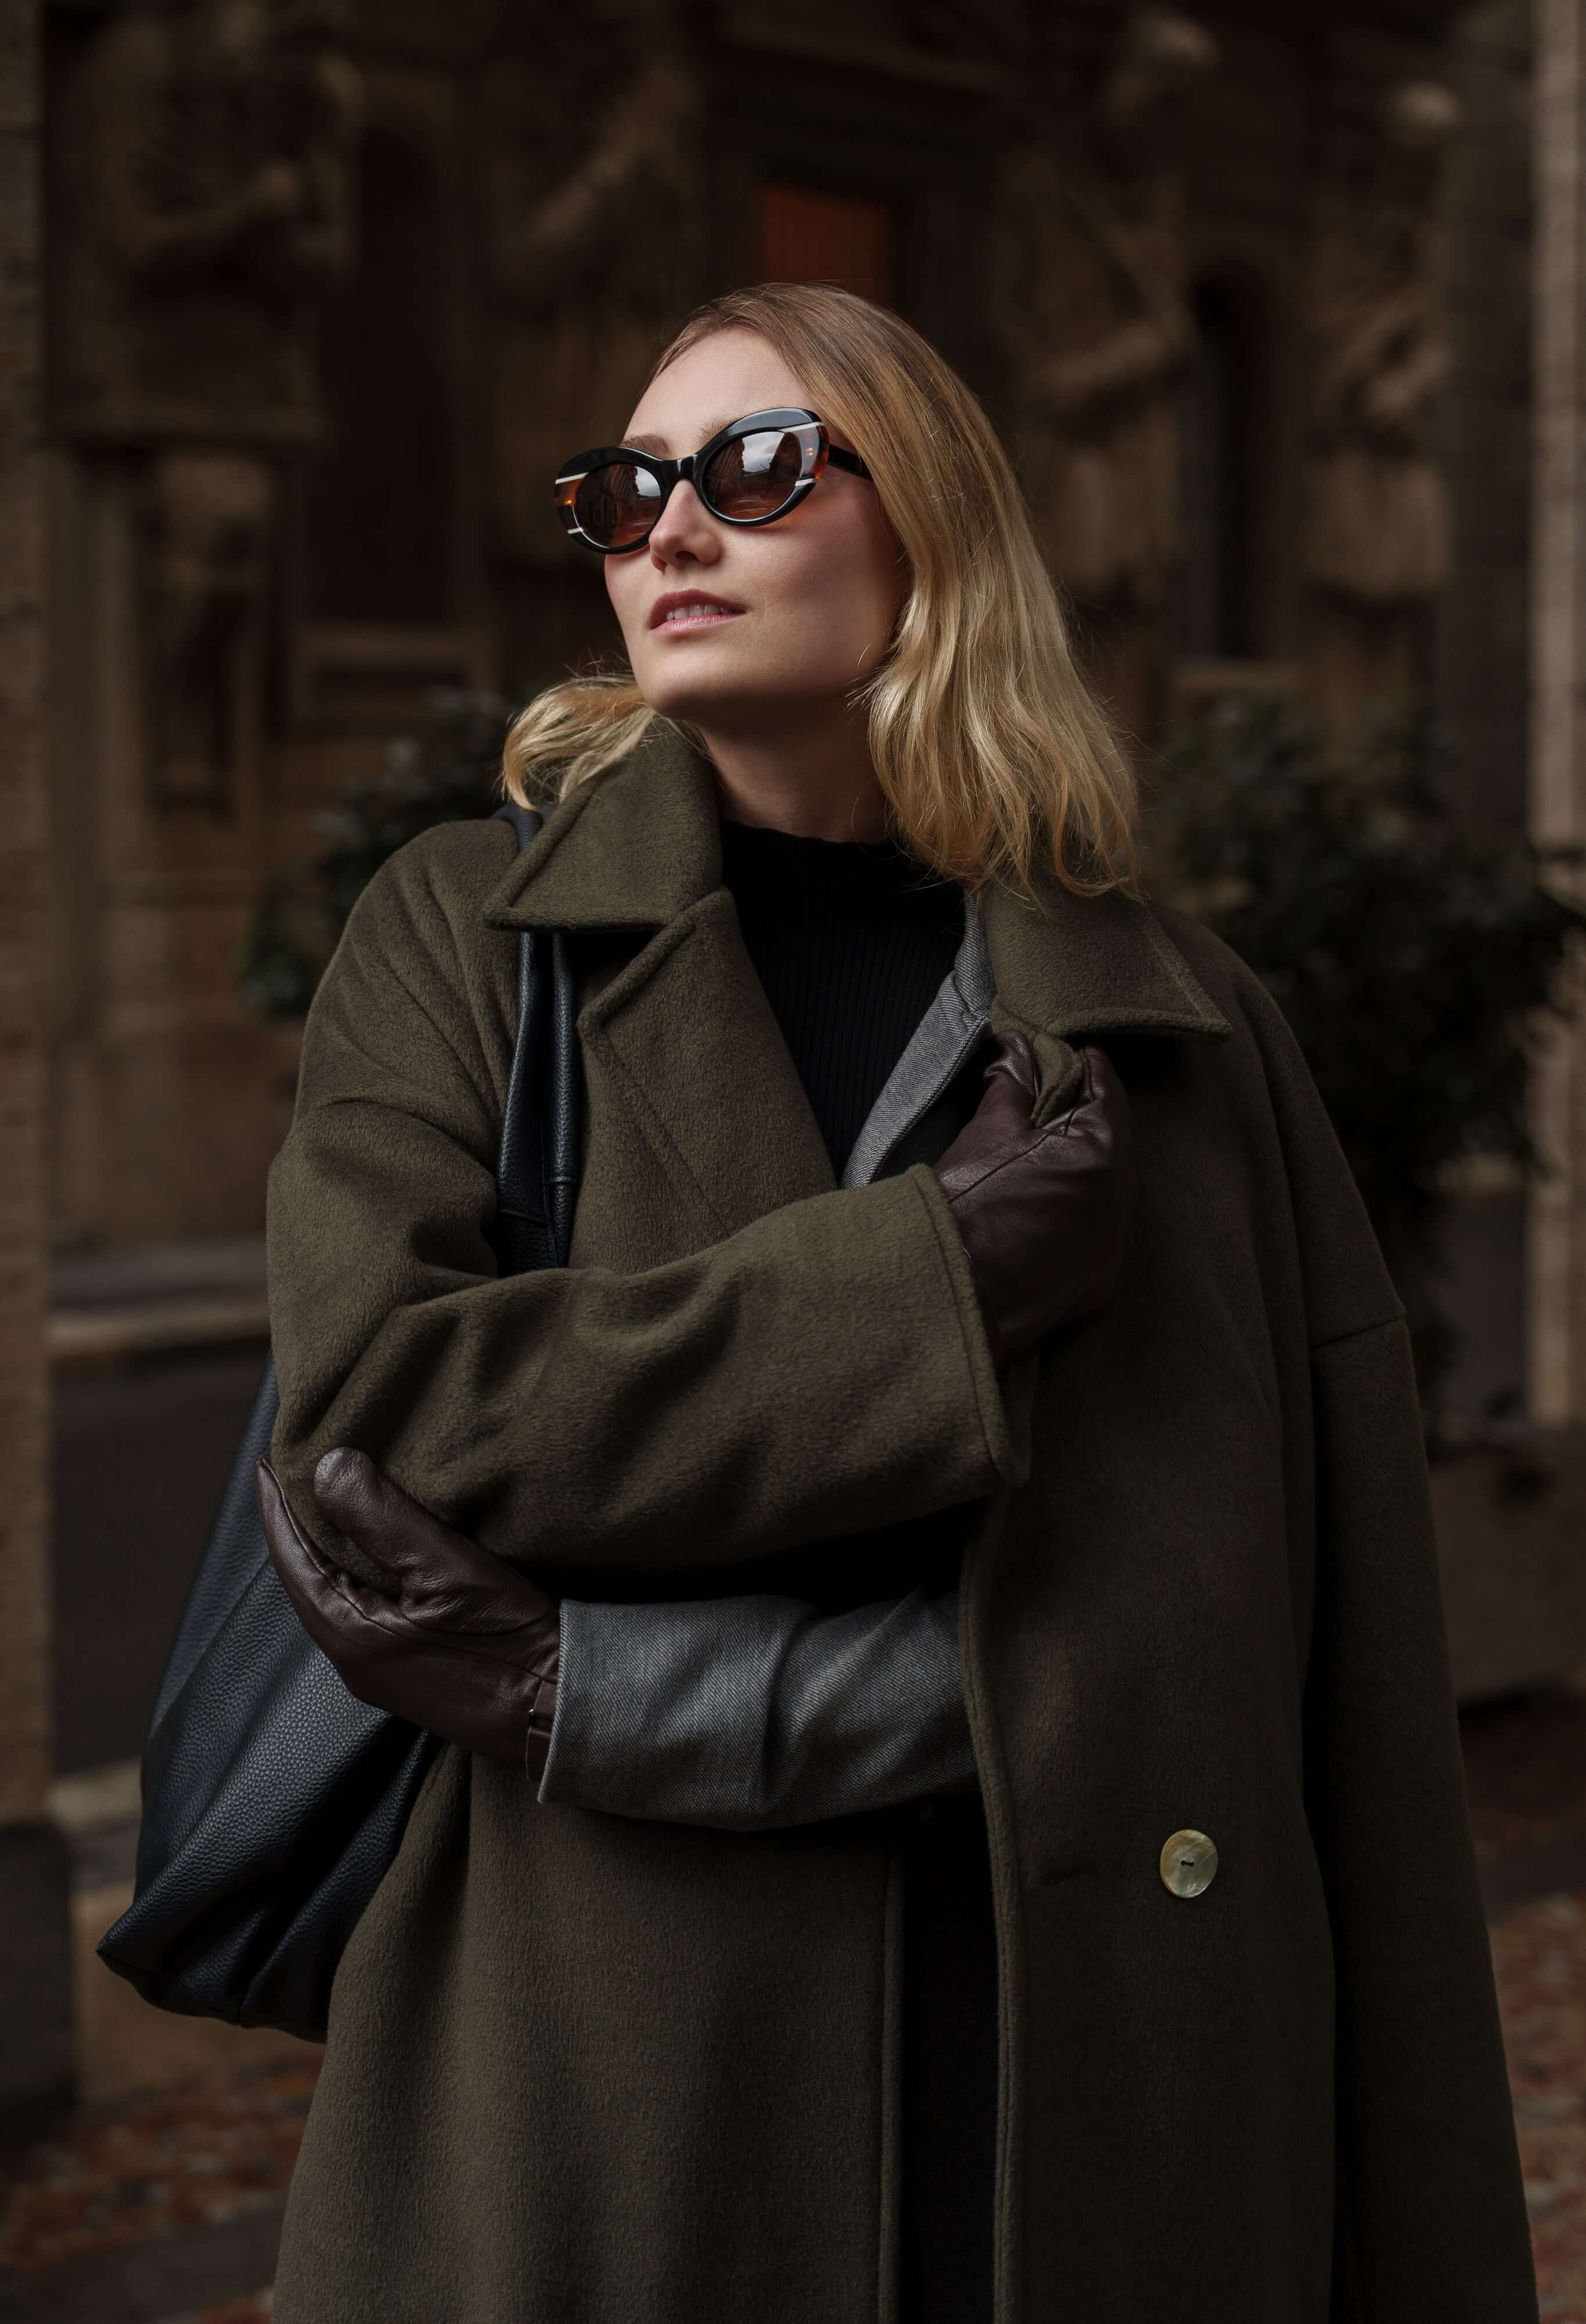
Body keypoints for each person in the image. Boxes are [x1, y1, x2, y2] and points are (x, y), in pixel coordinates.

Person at [257, 283, 1536, 2324]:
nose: (673, 531)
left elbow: (1317, 1692)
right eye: (625, 492)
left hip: (1119, 2097)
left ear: (932, 520)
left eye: (757, 468)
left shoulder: (1188, 1029)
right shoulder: (468, 942)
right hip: (618, 2098)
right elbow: (382, 1422)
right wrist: (930, 1285)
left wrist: (602, 1685)